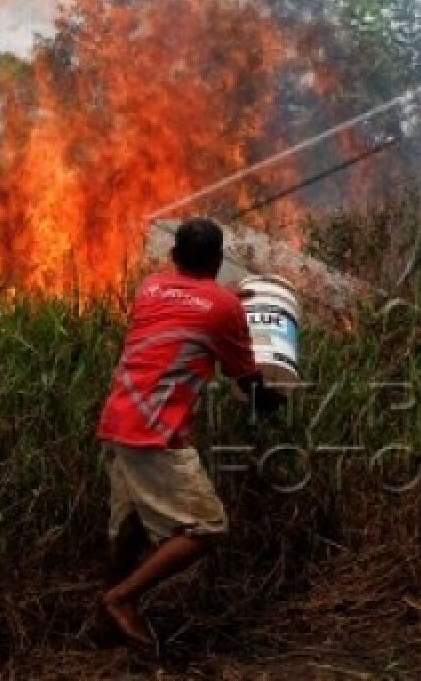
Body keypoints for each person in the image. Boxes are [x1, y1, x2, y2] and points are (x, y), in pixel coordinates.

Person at [97, 217, 285, 649]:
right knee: (207, 526)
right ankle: (121, 600)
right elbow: (249, 385)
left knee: (127, 526)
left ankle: (103, 621)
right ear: (219, 261)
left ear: (174, 257)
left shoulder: (150, 288)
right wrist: (275, 401)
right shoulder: (224, 308)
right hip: (154, 431)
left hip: (120, 417)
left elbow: (191, 310)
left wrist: (227, 303)